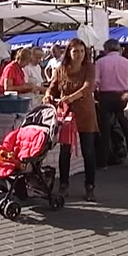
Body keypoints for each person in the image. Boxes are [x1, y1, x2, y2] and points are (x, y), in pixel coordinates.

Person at [43, 38, 98, 201]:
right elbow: (52, 87)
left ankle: (90, 186)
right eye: (75, 51)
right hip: (66, 115)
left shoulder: (89, 67)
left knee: (88, 151)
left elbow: (88, 87)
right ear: (69, 52)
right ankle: (64, 185)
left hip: (85, 113)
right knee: (65, 151)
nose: (79, 54)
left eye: (82, 51)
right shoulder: (61, 69)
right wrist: (47, 95)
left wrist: (72, 97)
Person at [95, 39, 128, 169]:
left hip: (106, 97)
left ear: (106, 49)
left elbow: (96, 82)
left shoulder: (100, 62)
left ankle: (103, 162)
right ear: (119, 49)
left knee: (105, 131)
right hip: (123, 96)